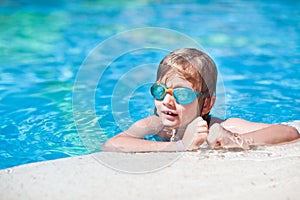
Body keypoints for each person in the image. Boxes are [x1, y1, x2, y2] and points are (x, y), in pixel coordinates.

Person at [101, 48, 300, 152]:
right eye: (160, 91)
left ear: (206, 104)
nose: (167, 101)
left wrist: (236, 141)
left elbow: (288, 132)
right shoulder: (156, 125)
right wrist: (177, 146)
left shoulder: (220, 125)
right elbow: (112, 144)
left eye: (183, 94)